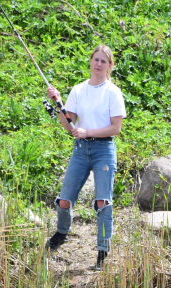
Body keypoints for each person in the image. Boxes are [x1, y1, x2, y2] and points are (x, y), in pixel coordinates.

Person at [45, 45, 126, 270]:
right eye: (96, 60)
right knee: (64, 200)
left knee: (103, 202)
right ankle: (62, 232)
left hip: (104, 150)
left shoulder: (113, 91)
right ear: (90, 62)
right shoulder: (78, 90)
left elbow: (115, 128)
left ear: (110, 66)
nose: (99, 64)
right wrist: (58, 102)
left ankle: (102, 251)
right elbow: (68, 124)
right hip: (81, 150)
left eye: (104, 61)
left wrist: (87, 132)